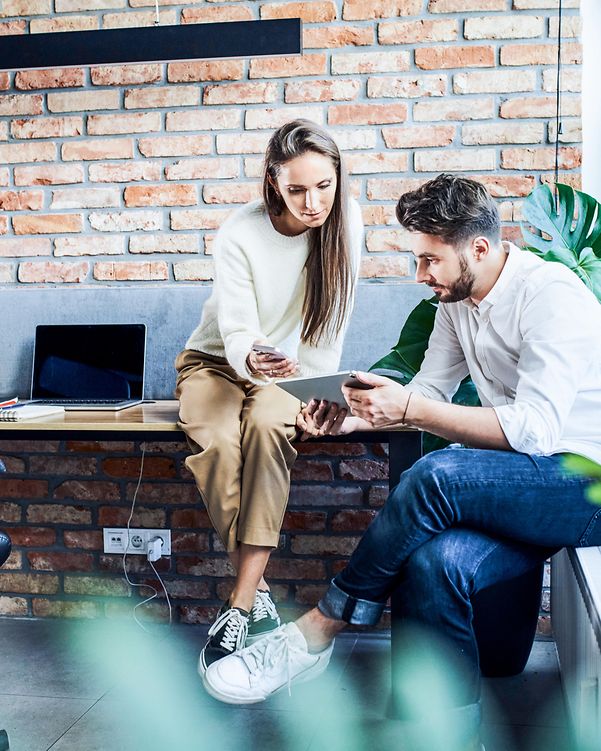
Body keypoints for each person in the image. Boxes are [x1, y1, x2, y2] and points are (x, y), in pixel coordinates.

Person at [201, 173, 601, 748]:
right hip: (527, 483)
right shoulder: (457, 303)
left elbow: (534, 431)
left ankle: (320, 625)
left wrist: (408, 405)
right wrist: (353, 417)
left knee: (438, 473)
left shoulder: (551, 295)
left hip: (582, 483)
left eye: (429, 260)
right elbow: (430, 394)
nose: (421, 276)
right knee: (431, 564)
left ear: (479, 249)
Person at [175, 119, 363, 674]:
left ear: (337, 178)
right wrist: (251, 354)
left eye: (324, 186)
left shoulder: (346, 222)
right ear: (273, 183)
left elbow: (332, 323)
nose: (313, 202)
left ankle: (238, 603)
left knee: (265, 431)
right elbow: (235, 330)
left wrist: (318, 392)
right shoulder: (240, 232)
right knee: (214, 443)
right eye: (298, 189)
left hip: (292, 372)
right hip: (217, 361)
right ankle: (256, 598)